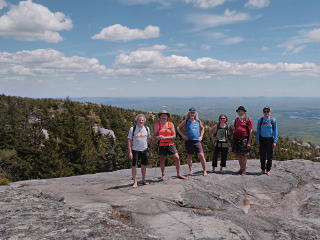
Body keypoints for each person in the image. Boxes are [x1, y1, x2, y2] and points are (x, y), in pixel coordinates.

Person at [154, 110, 186, 180]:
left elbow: (174, 136)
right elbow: (155, 136)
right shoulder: (157, 125)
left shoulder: (170, 124)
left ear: (167, 117)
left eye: (165, 115)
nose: (164, 117)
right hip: (162, 145)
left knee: (177, 157)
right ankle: (163, 175)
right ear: (160, 116)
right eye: (162, 115)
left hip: (170, 144)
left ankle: (178, 173)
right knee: (162, 160)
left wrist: (165, 137)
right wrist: (158, 137)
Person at [177, 108, 207, 176]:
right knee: (189, 156)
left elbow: (203, 128)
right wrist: (183, 136)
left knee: (201, 155)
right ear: (189, 113)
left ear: (195, 113)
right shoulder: (186, 121)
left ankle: (204, 171)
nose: (192, 114)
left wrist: (201, 136)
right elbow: (178, 128)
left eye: (193, 113)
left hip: (197, 141)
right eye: (191, 113)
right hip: (189, 141)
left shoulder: (198, 121)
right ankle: (190, 170)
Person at [128, 114, 153, 188]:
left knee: (144, 166)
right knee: (134, 166)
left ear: (144, 121)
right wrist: (130, 152)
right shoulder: (132, 129)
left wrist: (150, 151)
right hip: (135, 150)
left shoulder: (147, 128)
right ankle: (135, 182)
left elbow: (149, 140)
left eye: (142, 120)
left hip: (144, 150)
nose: (141, 121)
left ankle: (143, 180)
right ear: (137, 120)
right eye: (139, 120)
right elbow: (129, 140)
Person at [256, 106, 278, 176]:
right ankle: (263, 169)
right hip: (262, 140)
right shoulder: (260, 120)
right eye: (265, 111)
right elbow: (258, 131)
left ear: (270, 112)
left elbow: (275, 131)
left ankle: (268, 170)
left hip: (270, 140)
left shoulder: (273, 120)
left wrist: (275, 141)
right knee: (262, 156)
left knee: (269, 156)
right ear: (263, 112)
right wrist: (258, 141)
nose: (266, 113)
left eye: (267, 111)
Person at [232, 106, 253, 176]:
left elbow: (250, 131)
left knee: (243, 155)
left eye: (242, 111)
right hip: (237, 139)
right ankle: (241, 168)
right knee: (239, 154)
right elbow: (235, 128)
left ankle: (244, 170)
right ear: (237, 112)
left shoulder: (248, 119)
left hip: (244, 139)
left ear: (244, 112)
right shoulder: (236, 120)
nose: (240, 112)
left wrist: (249, 142)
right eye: (239, 111)